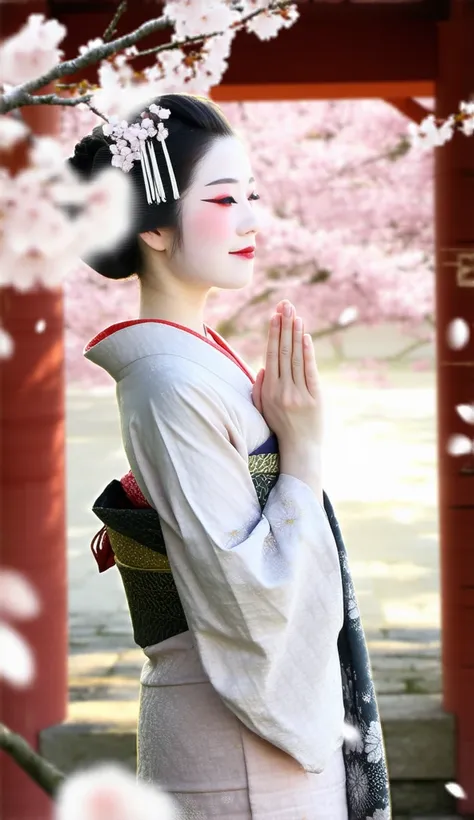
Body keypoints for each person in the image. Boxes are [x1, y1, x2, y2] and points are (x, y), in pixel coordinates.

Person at [70, 93, 391, 820]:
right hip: (233, 741)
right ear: (153, 225)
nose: (251, 218)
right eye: (223, 198)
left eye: (253, 195)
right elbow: (249, 600)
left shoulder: (193, 362)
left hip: (243, 733)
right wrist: (302, 451)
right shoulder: (167, 382)